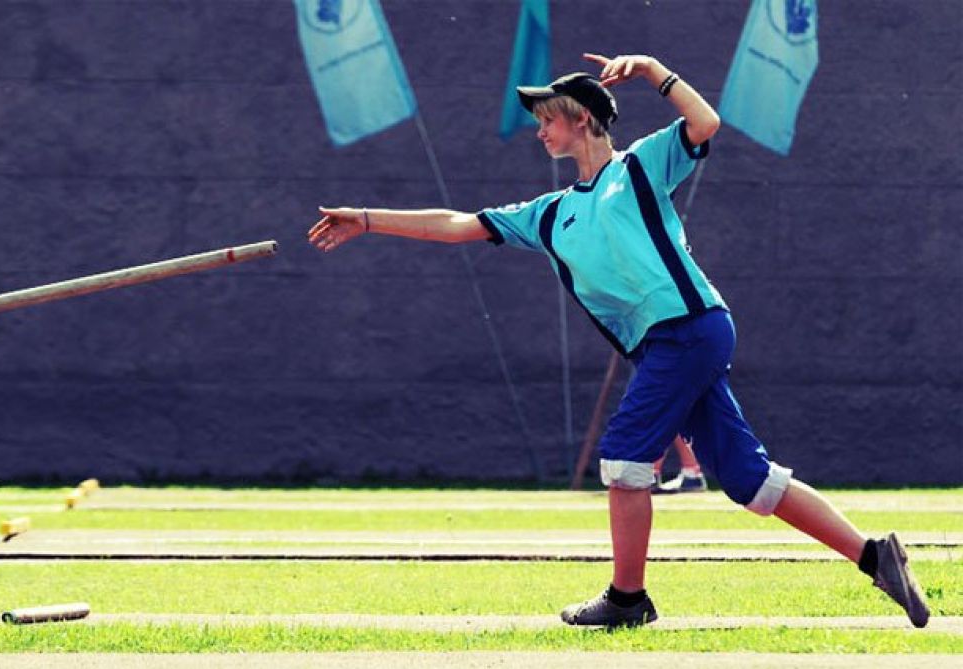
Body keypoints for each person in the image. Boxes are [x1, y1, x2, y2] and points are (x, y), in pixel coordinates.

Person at [307, 52, 930, 629]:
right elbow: (457, 223)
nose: (539, 132)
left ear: (579, 119)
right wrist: (366, 219)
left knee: (626, 460)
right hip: (671, 345)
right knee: (749, 480)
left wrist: (655, 71)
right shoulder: (549, 212)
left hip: (689, 328)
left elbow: (705, 121)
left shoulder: (639, 165)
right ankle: (877, 556)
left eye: (546, 120)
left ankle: (628, 600)